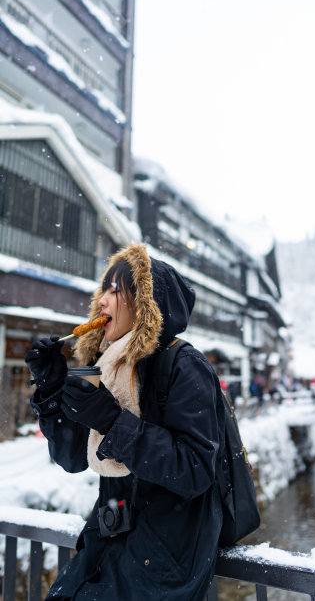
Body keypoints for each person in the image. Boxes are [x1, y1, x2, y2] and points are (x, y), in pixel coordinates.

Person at [25, 243, 225, 601]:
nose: (102, 301)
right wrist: (51, 391)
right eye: (103, 290)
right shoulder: (108, 368)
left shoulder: (182, 365)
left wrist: (111, 420)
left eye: (115, 291)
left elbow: (194, 469)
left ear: (145, 303)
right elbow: (72, 459)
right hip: (108, 541)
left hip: (162, 563)